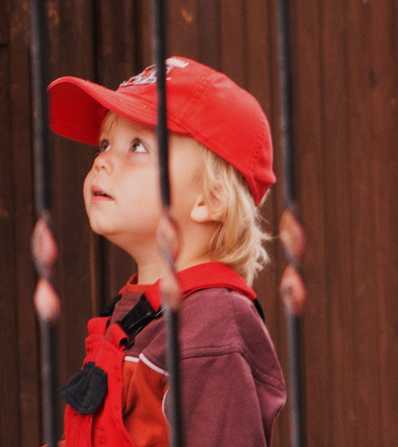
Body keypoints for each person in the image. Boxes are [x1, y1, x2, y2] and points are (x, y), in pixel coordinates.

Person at [48, 56, 285, 447]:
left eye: (136, 146)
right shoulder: (135, 312)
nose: (101, 160)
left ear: (211, 200)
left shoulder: (212, 324)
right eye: (106, 143)